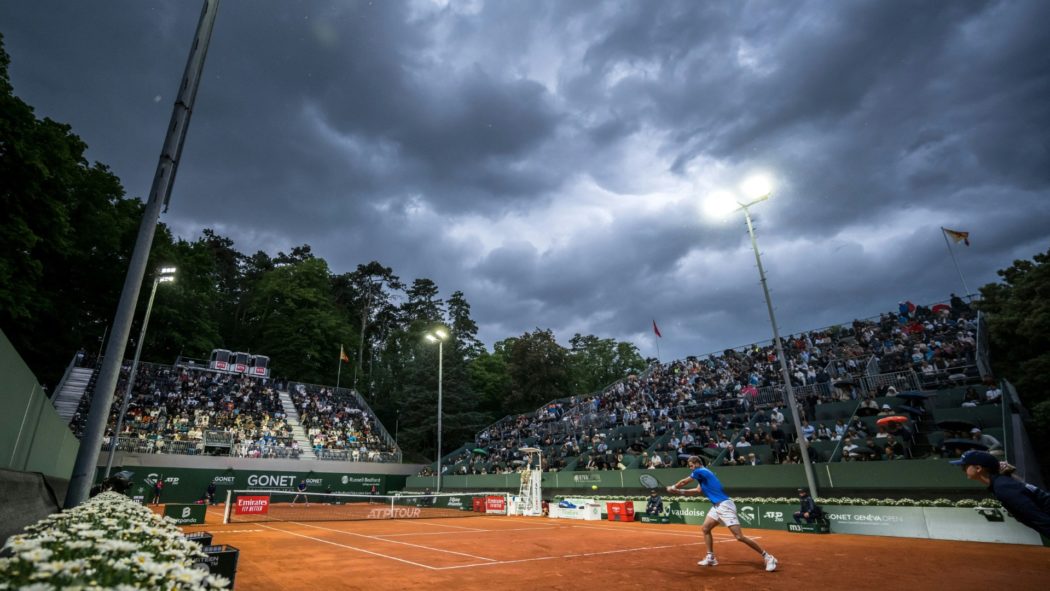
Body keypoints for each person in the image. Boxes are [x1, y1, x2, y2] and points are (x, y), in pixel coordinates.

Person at [666, 455, 777, 571]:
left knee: (739, 537)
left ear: (697, 463)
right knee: (705, 528)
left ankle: (768, 557)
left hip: (724, 505)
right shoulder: (703, 475)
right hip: (716, 506)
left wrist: (673, 487)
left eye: (691, 466)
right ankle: (711, 557)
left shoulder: (700, 471)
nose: (690, 468)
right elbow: (698, 491)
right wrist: (679, 492)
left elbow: (684, 481)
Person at [951, 450, 1050, 538]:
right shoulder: (1002, 483)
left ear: (978, 468)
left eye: (964, 467)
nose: (962, 470)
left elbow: (1039, 518)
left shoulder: (1002, 487)